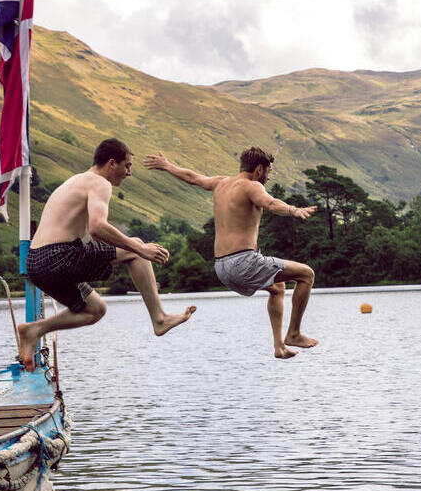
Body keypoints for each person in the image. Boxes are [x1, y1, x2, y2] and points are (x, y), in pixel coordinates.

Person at [17, 138, 196, 371]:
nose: (129, 173)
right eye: (128, 165)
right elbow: (97, 227)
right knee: (137, 247)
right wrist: (140, 249)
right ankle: (159, 319)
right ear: (112, 163)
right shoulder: (100, 183)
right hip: (58, 257)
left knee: (96, 309)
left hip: (37, 263)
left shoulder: (74, 181)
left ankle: (34, 330)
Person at [144, 146, 319, 359]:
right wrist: (294, 210)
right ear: (258, 170)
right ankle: (294, 333)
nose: (268, 177)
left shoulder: (220, 183)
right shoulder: (252, 187)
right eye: (268, 172)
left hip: (221, 268)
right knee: (307, 274)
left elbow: (193, 178)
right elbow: (271, 203)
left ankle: (279, 347)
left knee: (278, 287)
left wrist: (167, 166)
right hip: (244, 263)